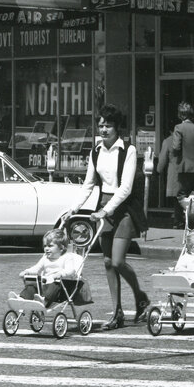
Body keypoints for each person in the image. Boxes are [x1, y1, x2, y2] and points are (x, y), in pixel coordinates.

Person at [77, 104, 150, 330]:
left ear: (117, 127)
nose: (103, 129)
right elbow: (88, 184)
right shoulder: (96, 151)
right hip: (104, 206)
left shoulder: (128, 150)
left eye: (108, 125)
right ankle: (117, 312)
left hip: (124, 208)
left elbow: (125, 188)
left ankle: (140, 296)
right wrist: (74, 208)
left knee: (118, 261)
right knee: (108, 262)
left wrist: (106, 211)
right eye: (101, 125)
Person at [18, 229, 82, 305]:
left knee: (55, 284)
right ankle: (22, 298)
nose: (46, 249)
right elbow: (36, 268)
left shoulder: (66, 257)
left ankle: (45, 300)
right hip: (45, 285)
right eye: (45, 246)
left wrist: (60, 274)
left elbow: (70, 270)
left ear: (61, 248)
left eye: (50, 246)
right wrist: (27, 271)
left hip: (61, 289)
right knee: (32, 286)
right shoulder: (45, 258)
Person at [171, 102, 194, 226]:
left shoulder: (179, 128)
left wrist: (175, 156)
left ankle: (185, 216)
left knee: (181, 195)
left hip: (185, 167)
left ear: (180, 115)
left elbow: (176, 147)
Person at [155, 126, 183, 227]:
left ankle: (178, 220)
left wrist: (158, 170)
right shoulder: (187, 139)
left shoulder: (168, 141)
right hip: (188, 171)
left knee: (176, 197)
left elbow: (162, 159)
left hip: (174, 171)